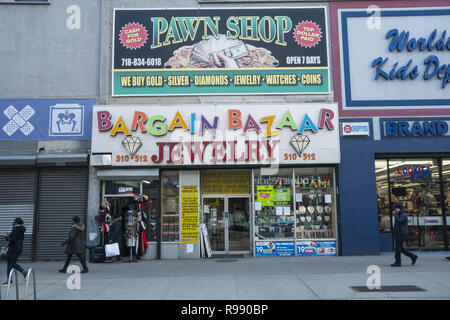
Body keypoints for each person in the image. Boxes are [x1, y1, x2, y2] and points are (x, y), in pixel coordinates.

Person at [2, 217, 28, 285]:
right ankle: (22, 272)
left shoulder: (16, 229)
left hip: (14, 249)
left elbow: (12, 240)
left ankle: (11, 280)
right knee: (10, 263)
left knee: (11, 264)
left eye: (14, 221)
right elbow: (15, 238)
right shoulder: (20, 229)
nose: (12, 222)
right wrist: (8, 236)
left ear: (16, 222)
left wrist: (6, 237)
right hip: (18, 248)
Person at [391, 202, 418, 267]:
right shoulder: (399, 214)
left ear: (400, 208)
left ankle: (398, 262)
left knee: (398, 248)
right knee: (400, 248)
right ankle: (413, 256)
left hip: (401, 233)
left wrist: (395, 215)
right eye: (395, 208)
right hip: (398, 233)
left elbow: (398, 221)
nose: (395, 210)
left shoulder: (403, 215)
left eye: (396, 208)